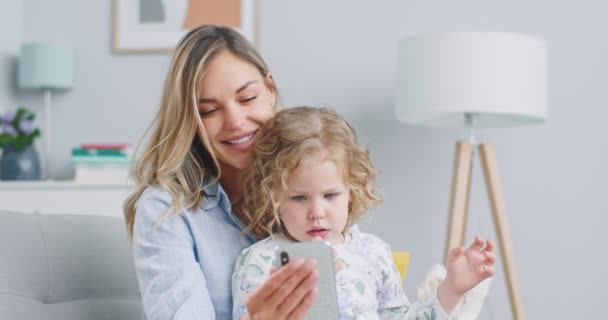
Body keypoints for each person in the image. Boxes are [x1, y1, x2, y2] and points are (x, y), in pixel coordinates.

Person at [123, 25, 319, 320]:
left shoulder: (311, 181)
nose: (236, 122)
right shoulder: (166, 209)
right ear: (189, 120)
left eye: (247, 98)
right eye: (209, 111)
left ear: (270, 90)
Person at [233, 106, 496, 320]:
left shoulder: (373, 252)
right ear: (274, 197)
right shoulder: (259, 260)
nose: (316, 212)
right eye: (299, 198)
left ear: (351, 192)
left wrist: (451, 289)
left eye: (330, 196)